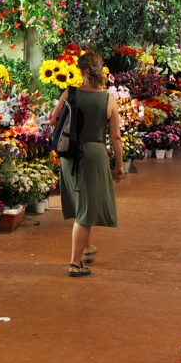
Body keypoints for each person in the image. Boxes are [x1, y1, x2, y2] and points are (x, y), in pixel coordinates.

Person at [47, 52, 124, 278]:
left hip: (68, 153)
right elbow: (116, 137)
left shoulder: (70, 93)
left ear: (81, 72)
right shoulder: (108, 99)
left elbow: (53, 119)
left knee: (82, 200)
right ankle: (74, 263)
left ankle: (87, 247)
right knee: (87, 208)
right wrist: (119, 165)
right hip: (93, 153)